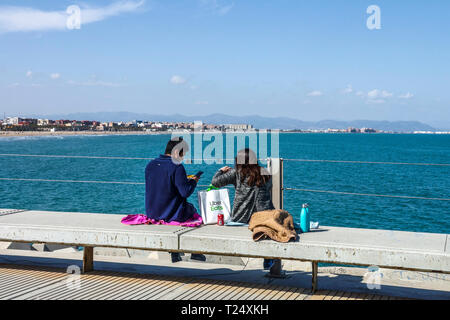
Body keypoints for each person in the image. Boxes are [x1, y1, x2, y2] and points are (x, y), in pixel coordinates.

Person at [211, 148, 279, 271]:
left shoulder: (237, 173)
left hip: (241, 217)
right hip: (264, 217)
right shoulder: (265, 172)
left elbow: (215, 183)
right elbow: (269, 187)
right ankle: (268, 261)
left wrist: (220, 171)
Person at [145, 136, 205, 263]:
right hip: (170, 214)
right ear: (177, 152)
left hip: (152, 213)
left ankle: (175, 253)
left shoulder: (151, 165)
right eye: (183, 154)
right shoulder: (177, 166)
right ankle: (195, 252)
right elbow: (185, 192)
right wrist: (193, 181)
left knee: (185, 208)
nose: (183, 158)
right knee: (194, 214)